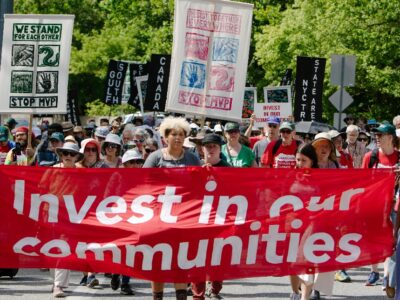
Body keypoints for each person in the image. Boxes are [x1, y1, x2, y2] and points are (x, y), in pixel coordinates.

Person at [144, 117, 201, 300]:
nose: (177, 137)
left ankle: (181, 295)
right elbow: (143, 184)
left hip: (184, 218)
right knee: (158, 259)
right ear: (165, 137)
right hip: (159, 218)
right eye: (173, 134)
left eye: (181, 134)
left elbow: (199, 186)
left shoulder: (192, 158)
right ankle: (157, 296)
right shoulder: (155, 157)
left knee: (180, 259)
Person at [362, 123, 399, 297]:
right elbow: (361, 182)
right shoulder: (371, 156)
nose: (377, 138)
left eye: (381, 135)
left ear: (391, 138)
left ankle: (388, 278)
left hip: (396, 206)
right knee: (378, 241)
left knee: (395, 242)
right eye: (375, 135)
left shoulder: (399, 157)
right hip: (376, 205)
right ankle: (376, 271)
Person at [191, 133, 228, 300]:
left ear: (220, 149)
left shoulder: (228, 169)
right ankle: (198, 295)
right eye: (208, 146)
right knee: (197, 259)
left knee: (218, 259)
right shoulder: (195, 168)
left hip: (221, 221)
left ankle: (215, 288)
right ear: (202, 149)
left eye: (214, 146)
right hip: (199, 221)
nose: (211, 149)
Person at [50, 142, 84, 297]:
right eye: (65, 153)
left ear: (77, 156)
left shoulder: (83, 173)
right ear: (60, 155)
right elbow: (41, 188)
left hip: (72, 217)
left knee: (63, 248)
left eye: (71, 154)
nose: (68, 156)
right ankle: (59, 282)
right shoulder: (52, 171)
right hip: (51, 216)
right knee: (52, 249)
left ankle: (58, 285)